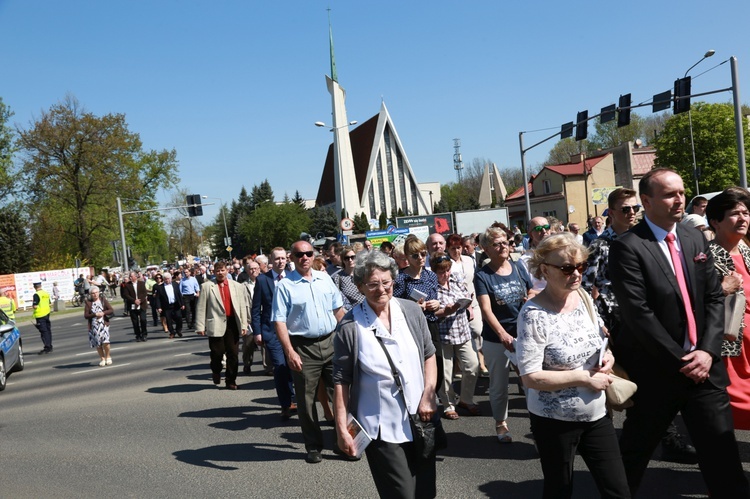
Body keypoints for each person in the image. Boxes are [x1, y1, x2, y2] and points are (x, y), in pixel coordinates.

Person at [609, 168, 749, 497]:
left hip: (706, 369)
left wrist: (706, 352)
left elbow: (714, 297)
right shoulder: (628, 247)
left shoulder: (695, 238)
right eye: (670, 194)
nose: (679, 199)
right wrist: (683, 359)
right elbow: (638, 314)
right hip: (659, 370)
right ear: (647, 201)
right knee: (634, 455)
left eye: (682, 192)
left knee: (723, 459)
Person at [582, 187, 697, 464]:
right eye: (625, 209)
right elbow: (586, 287)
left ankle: (663, 440)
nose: (631, 213)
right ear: (610, 213)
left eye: (635, 208)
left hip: (648, 322)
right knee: (625, 385)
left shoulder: (646, 239)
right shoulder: (601, 245)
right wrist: (598, 323)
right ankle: (612, 447)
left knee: (652, 384)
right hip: (616, 326)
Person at [516, 232, 629, 499]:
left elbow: (600, 339)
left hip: (597, 414)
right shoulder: (533, 315)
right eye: (567, 268)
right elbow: (530, 377)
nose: (576, 273)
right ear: (544, 269)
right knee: (559, 490)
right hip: (554, 420)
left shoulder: (584, 297)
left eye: (580, 266)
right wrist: (585, 379)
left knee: (618, 490)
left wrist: (609, 356)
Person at [333, 250, 438, 498]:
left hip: (420, 419)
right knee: (401, 494)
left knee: (425, 493)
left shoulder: (411, 311)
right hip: (379, 426)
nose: (381, 289)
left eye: (386, 282)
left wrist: (429, 395)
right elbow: (341, 381)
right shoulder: (349, 327)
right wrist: (341, 429)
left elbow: (429, 354)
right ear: (359, 286)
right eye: (372, 284)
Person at [272, 240, 345, 464]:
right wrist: (290, 352)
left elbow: (339, 310)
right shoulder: (286, 285)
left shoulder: (325, 279)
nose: (304, 257)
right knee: (306, 399)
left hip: (332, 342)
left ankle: (346, 440)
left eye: (308, 253)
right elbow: (280, 321)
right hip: (304, 347)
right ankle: (313, 445)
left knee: (343, 394)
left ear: (314, 255)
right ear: (292, 258)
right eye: (299, 254)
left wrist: (348, 340)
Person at [474, 226, 531, 442]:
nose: (503, 247)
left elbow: (532, 289)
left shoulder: (518, 267)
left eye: (505, 242)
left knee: (529, 380)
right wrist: (502, 334)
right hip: (496, 339)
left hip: (523, 335)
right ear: (486, 249)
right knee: (499, 385)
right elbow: (486, 309)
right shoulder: (483, 276)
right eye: (497, 244)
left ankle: (537, 421)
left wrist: (530, 297)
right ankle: (501, 424)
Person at [706, 188, 750, 430]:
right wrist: (722, 289)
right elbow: (693, 303)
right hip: (732, 349)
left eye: (746, 212)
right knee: (729, 411)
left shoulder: (747, 252)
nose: (743, 218)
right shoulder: (705, 258)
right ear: (715, 222)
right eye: (735, 213)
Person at [432, 252, 480, 420]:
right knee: (445, 374)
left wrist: (468, 303)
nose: (445, 274)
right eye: (441, 271)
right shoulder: (431, 286)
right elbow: (431, 312)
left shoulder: (456, 278)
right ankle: (448, 405)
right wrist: (446, 311)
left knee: (473, 366)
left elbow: (466, 294)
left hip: (462, 330)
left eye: (447, 270)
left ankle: (466, 399)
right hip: (443, 334)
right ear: (434, 271)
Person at [252, 247, 297, 420]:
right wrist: (258, 332)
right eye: (276, 259)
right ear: (271, 261)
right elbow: (256, 308)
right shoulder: (263, 280)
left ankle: (294, 398)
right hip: (271, 331)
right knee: (280, 366)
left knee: (294, 366)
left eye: (283, 258)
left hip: (293, 329)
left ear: (286, 259)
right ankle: (286, 404)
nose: (280, 261)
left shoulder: (293, 277)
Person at [394, 236, 442, 390]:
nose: (420, 258)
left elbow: (435, 298)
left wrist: (437, 303)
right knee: (416, 365)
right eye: (415, 255)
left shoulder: (431, 276)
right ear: (407, 257)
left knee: (436, 363)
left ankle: (432, 394)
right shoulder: (401, 278)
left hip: (431, 323)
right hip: (410, 327)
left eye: (423, 254)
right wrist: (413, 307)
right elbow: (394, 304)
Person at [195, 261, 249, 390]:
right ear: (214, 272)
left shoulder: (237, 286)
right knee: (217, 353)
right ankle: (216, 370)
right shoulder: (207, 286)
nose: (220, 273)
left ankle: (231, 380)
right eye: (218, 271)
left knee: (233, 354)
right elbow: (201, 307)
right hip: (216, 323)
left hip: (232, 324)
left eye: (223, 270)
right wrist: (200, 326)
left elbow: (242, 306)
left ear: (227, 271)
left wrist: (244, 324)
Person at [84, 287, 115, 367]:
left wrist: (103, 313)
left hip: (103, 324)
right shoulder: (88, 302)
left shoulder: (103, 300)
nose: (95, 294)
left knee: (106, 341)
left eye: (96, 292)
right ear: (90, 294)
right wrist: (95, 314)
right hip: (94, 325)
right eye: (93, 293)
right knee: (98, 343)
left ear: (99, 293)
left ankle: (108, 356)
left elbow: (111, 310)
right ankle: (102, 358)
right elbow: (86, 315)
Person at [333, 245, 365, 311]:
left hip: (369, 310)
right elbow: (338, 299)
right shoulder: (338, 277)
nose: (350, 260)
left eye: (353, 257)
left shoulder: (364, 273)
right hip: (352, 314)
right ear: (343, 260)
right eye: (346, 258)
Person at [155, 272, 185, 339]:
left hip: (176, 304)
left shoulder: (175, 284)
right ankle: (172, 332)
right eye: (165, 279)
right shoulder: (160, 287)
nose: (167, 280)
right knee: (169, 320)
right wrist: (159, 307)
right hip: (167, 306)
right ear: (163, 279)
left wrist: (182, 304)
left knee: (179, 318)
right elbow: (158, 299)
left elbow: (179, 295)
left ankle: (178, 330)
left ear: (171, 279)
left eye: (168, 279)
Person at [122, 271, 149, 342]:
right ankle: (138, 335)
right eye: (130, 276)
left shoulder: (141, 283)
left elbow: (145, 293)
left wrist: (140, 300)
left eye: (132, 276)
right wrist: (134, 300)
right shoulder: (127, 285)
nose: (130, 278)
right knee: (135, 321)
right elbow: (126, 295)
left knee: (143, 320)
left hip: (142, 304)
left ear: (136, 276)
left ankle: (144, 334)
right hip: (132, 305)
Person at [32, 282, 53, 354]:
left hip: (40, 315)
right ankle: (49, 346)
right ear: (40, 286)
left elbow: (35, 306)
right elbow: (50, 303)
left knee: (43, 332)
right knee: (48, 330)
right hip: (47, 313)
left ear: (34, 287)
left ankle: (47, 347)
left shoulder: (36, 294)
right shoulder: (45, 293)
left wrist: (35, 307)